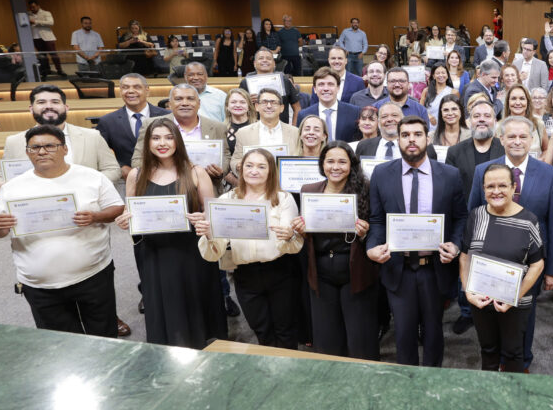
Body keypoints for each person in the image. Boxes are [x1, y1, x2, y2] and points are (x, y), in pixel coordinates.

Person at [0, 125, 125, 336]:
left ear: (65, 149)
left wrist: (95, 216)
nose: (42, 152)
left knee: (104, 335)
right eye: (34, 148)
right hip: (39, 285)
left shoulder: (91, 177)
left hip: (93, 275)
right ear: (27, 153)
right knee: (59, 344)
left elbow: (117, 208)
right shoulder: (13, 187)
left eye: (49, 146)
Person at [117, 117, 227, 348]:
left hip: (191, 252)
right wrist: (126, 222)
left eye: (168, 137)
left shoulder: (196, 172)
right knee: (164, 307)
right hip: (155, 253)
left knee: (197, 307)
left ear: (177, 141)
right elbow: (133, 213)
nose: (162, 143)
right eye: (156, 138)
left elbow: (213, 215)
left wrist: (204, 219)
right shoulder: (136, 176)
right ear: (147, 143)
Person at [366, 116, 467, 367]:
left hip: (434, 267)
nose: (411, 139)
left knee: (433, 333)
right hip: (397, 266)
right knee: (403, 333)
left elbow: (461, 218)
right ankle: (407, 384)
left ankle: (432, 382)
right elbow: (377, 219)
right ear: (397, 139)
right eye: (405, 134)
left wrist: (455, 246)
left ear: (427, 138)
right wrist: (371, 247)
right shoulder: (381, 174)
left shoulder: (450, 174)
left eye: (417, 134)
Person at [466, 117, 553, 370]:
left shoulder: (550, 173)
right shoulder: (484, 171)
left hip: (529, 263)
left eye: (523, 136)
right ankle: (495, 360)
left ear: (532, 140)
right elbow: (473, 215)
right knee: (489, 317)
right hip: (488, 261)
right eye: (511, 136)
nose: (517, 141)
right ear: (501, 139)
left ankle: (521, 363)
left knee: (524, 318)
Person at [196, 148, 303, 349]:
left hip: (281, 272)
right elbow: (214, 252)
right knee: (261, 330)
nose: (254, 171)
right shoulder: (226, 201)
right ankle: (269, 375)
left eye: (261, 166)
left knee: (286, 329)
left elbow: (292, 244)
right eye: (249, 165)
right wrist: (208, 233)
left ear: (271, 171)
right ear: (240, 169)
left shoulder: (283, 199)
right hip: (246, 274)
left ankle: (290, 375)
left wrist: (289, 235)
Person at [291, 142, 378, 360]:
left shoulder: (365, 189)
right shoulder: (309, 191)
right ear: (322, 164)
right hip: (320, 273)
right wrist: (301, 230)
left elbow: (377, 228)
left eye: (342, 161)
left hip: (355, 272)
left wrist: (365, 233)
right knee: (326, 337)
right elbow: (307, 234)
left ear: (351, 165)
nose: (335, 167)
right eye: (330, 161)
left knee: (360, 338)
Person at [0, 84, 122, 198]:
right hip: (36, 209)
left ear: (66, 107)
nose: (49, 106)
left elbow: (112, 169)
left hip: (87, 208)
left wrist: (89, 186)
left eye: (55, 102)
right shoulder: (14, 142)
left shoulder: (92, 136)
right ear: (31, 109)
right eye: (41, 102)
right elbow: (1, 178)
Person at [133, 84, 229, 191]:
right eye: (178, 99)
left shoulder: (218, 127)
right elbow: (137, 160)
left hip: (208, 187)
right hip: (163, 189)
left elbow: (225, 156)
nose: (185, 103)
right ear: (170, 104)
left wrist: (220, 171)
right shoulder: (150, 124)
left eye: (190, 99)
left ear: (199, 103)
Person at [96, 74, 172, 182]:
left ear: (147, 90)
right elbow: (99, 152)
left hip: (166, 176)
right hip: (125, 179)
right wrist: (120, 167)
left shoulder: (168, 116)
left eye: (137, 87)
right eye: (125, 87)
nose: (130, 91)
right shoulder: (108, 121)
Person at [232, 90, 302, 176]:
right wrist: (238, 165)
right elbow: (235, 159)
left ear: (282, 108)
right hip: (255, 183)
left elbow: (302, 158)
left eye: (274, 102)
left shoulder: (296, 132)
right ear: (256, 106)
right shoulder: (243, 133)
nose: (269, 106)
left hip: (286, 184)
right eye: (264, 102)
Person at [296, 67, 361, 143]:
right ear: (315, 89)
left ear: (338, 88)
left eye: (330, 84)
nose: (326, 88)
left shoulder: (354, 112)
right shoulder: (304, 115)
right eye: (321, 84)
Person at [239, 49, 302, 124]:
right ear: (254, 63)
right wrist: (247, 102)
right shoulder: (245, 83)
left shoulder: (284, 80)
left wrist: (293, 129)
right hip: (254, 130)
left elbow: (297, 108)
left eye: (268, 58)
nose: (265, 60)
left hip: (282, 129)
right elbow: (238, 108)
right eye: (261, 58)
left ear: (274, 63)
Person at [27, 0, 64, 77]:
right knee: (42, 56)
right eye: (30, 7)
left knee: (53, 54)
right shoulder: (28, 14)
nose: (32, 9)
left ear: (38, 6)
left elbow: (51, 22)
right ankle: (46, 70)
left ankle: (59, 70)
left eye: (33, 7)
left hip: (48, 37)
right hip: (35, 37)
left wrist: (36, 22)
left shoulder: (46, 13)